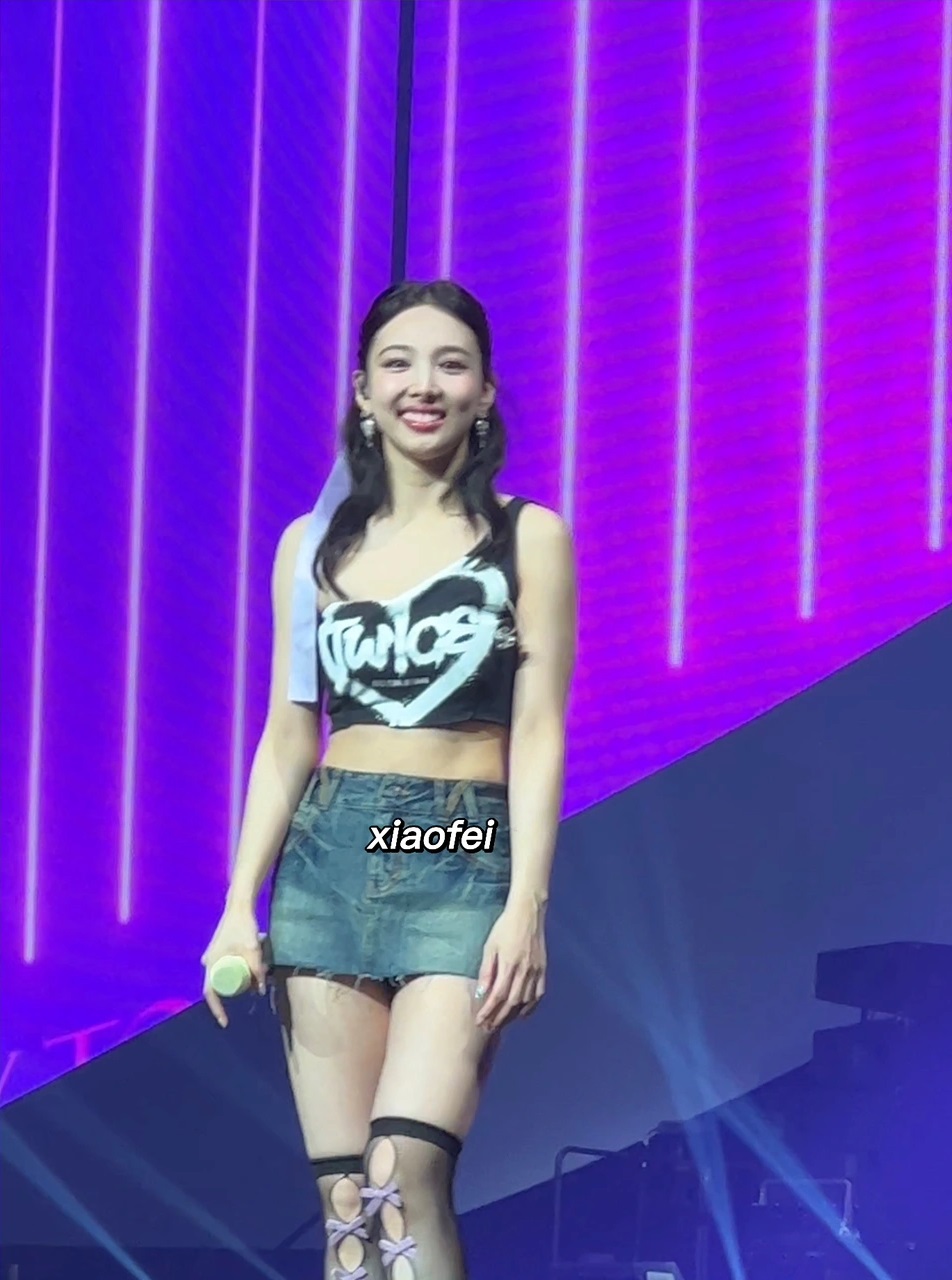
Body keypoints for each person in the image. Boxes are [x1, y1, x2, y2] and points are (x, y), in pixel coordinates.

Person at [200, 280, 576, 1279]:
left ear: (483, 392)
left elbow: (538, 729)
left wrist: (525, 906)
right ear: (362, 391)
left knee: (400, 1176)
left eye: (451, 364)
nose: (424, 384)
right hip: (328, 858)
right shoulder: (308, 548)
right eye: (397, 363)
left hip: (460, 850)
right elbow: (288, 735)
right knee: (346, 1209)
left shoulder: (528, 535)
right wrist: (238, 905)